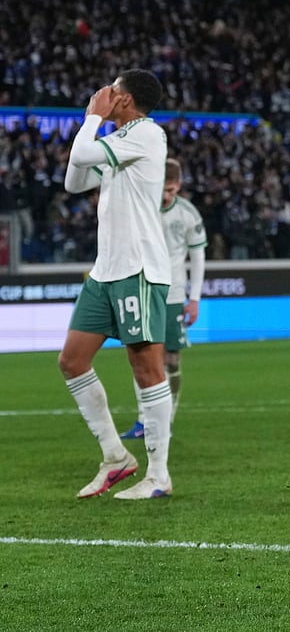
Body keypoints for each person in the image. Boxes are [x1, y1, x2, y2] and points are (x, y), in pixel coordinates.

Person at [58, 68, 174, 500]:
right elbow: (74, 181)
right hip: (106, 271)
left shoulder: (146, 134)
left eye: (112, 88)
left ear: (125, 100)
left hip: (138, 268)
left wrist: (91, 118)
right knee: (72, 360)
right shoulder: (118, 143)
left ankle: (158, 474)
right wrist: (94, 128)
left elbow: (83, 155)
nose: (103, 93)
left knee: (146, 367)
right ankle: (115, 456)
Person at [121, 158, 208, 439]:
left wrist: (194, 298)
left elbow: (198, 257)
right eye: (163, 188)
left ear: (178, 186)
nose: (166, 195)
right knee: (142, 357)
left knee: (170, 360)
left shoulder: (188, 214)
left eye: (171, 189)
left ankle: (165, 421)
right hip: (142, 291)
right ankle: (143, 421)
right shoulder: (141, 208)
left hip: (172, 295)